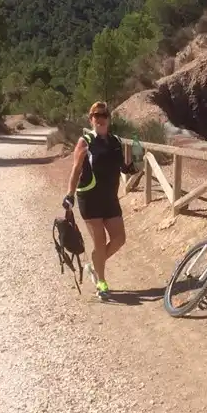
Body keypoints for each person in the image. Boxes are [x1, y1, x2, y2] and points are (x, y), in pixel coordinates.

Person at [62, 101, 136, 299]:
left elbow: (121, 165)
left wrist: (129, 167)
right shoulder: (85, 141)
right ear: (91, 120)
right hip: (90, 198)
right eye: (96, 116)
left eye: (104, 115)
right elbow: (76, 170)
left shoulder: (115, 141)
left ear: (109, 119)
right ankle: (101, 282)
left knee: (119, 239)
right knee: (100, 244)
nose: (100, 119)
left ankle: (94, 265)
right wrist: (69, 195)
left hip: (110, 198)